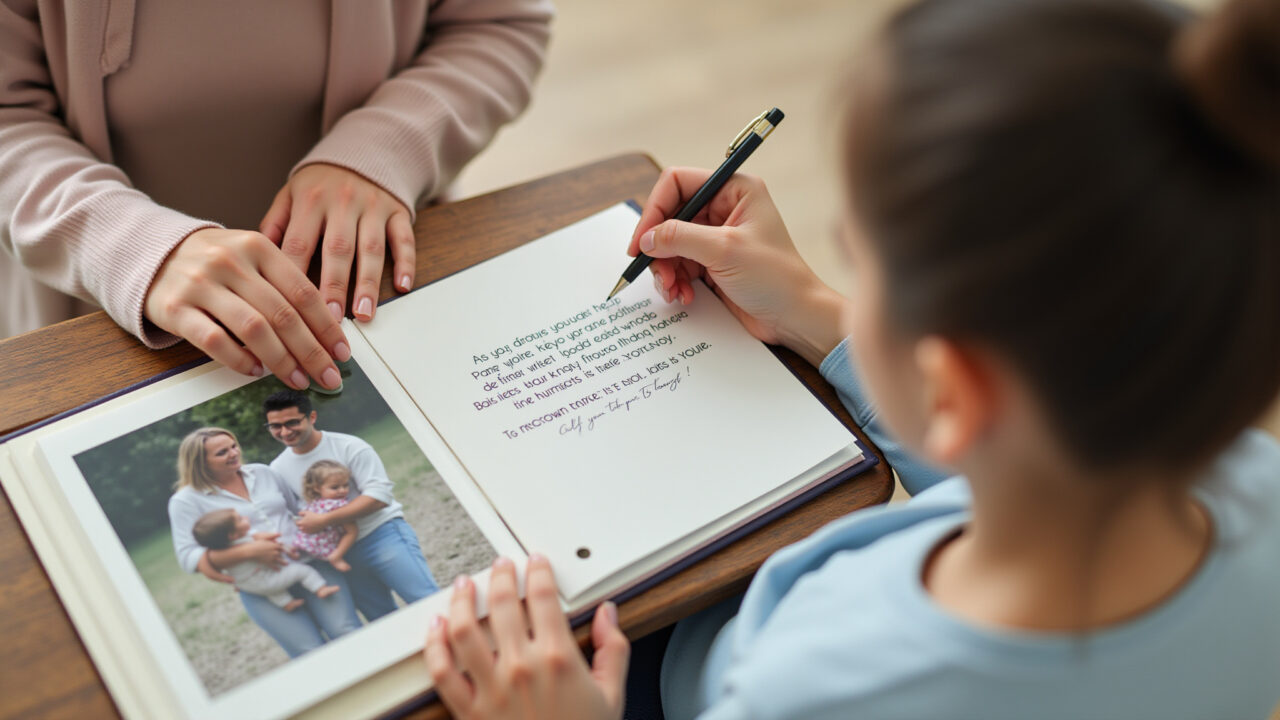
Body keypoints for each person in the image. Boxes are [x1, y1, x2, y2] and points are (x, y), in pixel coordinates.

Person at [421, 0, 1280, 717]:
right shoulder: (1251, 481)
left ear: (952, 389)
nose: (846, 280)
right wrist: (817, 311)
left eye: (860, 264)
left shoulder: (816, 692)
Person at [0, 0, 553, 392]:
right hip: (101, 306)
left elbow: (500, 22)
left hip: (382, 271)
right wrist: (132, 247)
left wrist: (386, 147)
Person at [168, 427, 362, 658]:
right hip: (261, 583)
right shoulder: (185, 501)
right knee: (309, 652)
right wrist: (250, 551)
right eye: (222, 453)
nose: (233, 453)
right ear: (200, 463)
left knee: (347, 632)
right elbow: (188, 557)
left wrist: (332, 519)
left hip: (310, 563)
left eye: (233, 446)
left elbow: (299, 509)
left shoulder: (262, 472)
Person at [264, 390, 440, 621]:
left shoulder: (349, 446)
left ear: (312, 417)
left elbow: (378, 497)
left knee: (427, 601)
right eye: (276, 426)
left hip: (382, 535)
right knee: (383, 621)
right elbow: (291, 515)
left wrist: (325, 520)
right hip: (340, 554)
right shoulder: (277, 468)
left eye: (292, 422)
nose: (284, 432)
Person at [192, 507, 341, 612]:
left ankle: (286, 603)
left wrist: (225, 578)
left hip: (248, 585)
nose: (246, 518)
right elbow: (275, 543)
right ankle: (320, 588)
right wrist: (290, 551)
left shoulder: (221, 550)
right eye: (240, 519)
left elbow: (208, 564)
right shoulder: (250, 539)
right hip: (267, 580)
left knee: (270, 588)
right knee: (302, 571)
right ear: (233, 535)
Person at [292, 460, 360, 572]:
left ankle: (336, 557)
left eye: (345, 485)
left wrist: (337, 554)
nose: (342, 490)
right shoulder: (316, 502)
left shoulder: (341, 505)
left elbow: (352, 532)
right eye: (335, 487)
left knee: (352, 532)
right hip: (303, 543)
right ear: (317, 488)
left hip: (325, 548)